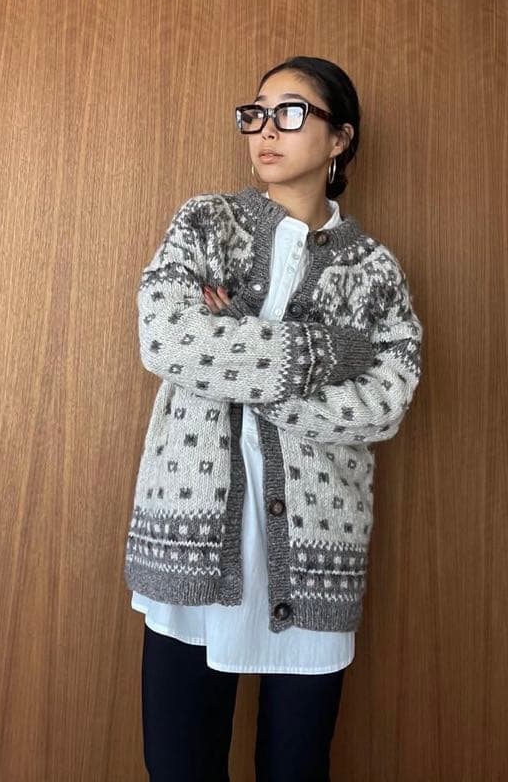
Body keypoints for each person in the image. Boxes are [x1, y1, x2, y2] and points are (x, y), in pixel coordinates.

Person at [124, 56, 424, 781]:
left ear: (340, 138)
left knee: (296, 768)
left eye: (291, 113)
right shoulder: (207, 223)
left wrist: (234, 346)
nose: (265, 129)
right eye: (256, 113)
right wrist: (327, 351)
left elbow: (386, 400)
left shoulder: (375, 272)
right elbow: (167, 338)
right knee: (179, 767)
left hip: (317, 553)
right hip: (193, 539)